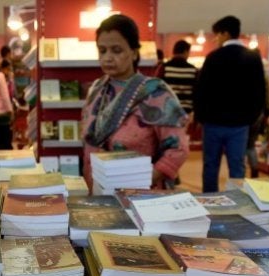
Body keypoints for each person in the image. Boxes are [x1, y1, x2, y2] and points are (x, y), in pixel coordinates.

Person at [81, 14, 189, 190]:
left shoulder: (156, 94)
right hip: (97, 191)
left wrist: (143, 180)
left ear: (134, 52)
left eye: (117, 50)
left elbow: (178, 150)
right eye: (102, 50)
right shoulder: (96, 90)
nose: (108, 57)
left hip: (139, 195)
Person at [193, 16, 266, 192]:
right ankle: (237, 204)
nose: (215, 39)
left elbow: (201, 90)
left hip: (213, 123)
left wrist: (201, 117)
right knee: (237, 167)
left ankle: (210, 202)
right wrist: (251, 118)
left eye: (217, 35)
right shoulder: (253, 58)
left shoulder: (213, 57)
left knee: (210, 165)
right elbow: (260, 92)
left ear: (225, 33)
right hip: (240, 124)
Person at [156, 40, 198, 114]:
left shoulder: (164, 68)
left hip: (168, 110)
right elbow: (197, 92)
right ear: (185, 52)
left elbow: (157, 88)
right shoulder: (193, 70)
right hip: (186, 112)